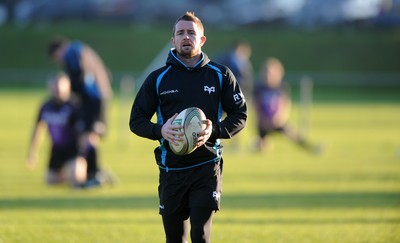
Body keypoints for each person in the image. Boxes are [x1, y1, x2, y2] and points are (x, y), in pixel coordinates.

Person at [129, 12, 247, 243]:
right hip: (171, 170)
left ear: (202, 40)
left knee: (200, 235)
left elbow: (240, 115)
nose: (186, 37)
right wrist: (159, 130)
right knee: (175, 239)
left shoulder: (220, 75)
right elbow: (136, 120)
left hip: (207, 166)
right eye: (180, 33)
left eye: (191, 33)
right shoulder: (158, 78)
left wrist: (214, 130)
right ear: (173, 40)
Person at [48, 36, 113, 186]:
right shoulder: (82, 49)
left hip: (93, 100)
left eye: (56, 57)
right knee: (89, 136)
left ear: (59, 50)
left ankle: (95, 175)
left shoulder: (72, 52)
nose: (59, 61)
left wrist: (75, 94)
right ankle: (95, 173)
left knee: (88, 136)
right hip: (99, 97)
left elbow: (79, 76)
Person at [26, 73, 87, 187]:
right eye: (55, 87)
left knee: (76, 179)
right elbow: (38, 129)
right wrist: (32, 152)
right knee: (50, 181)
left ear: (67, 87)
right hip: (56, 149)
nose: (58, 90)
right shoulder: (46, 106)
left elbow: (82, 131)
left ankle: (88, 171)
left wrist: (83, 153)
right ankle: (66, 173)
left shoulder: (74, 105)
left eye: (61, 87)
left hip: (73, 149)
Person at [252, 57, 321, 153]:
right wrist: (262, 119)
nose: (267, 75)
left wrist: (279, 118)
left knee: (293, 133)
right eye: (266, 72)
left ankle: (311, 148)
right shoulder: (259, 88)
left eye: (270, 73)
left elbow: (284, 104)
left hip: (277, 121)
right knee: (261, 147)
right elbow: (256, 105)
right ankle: (258, 145)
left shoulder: (281, 87)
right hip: (263, 123)